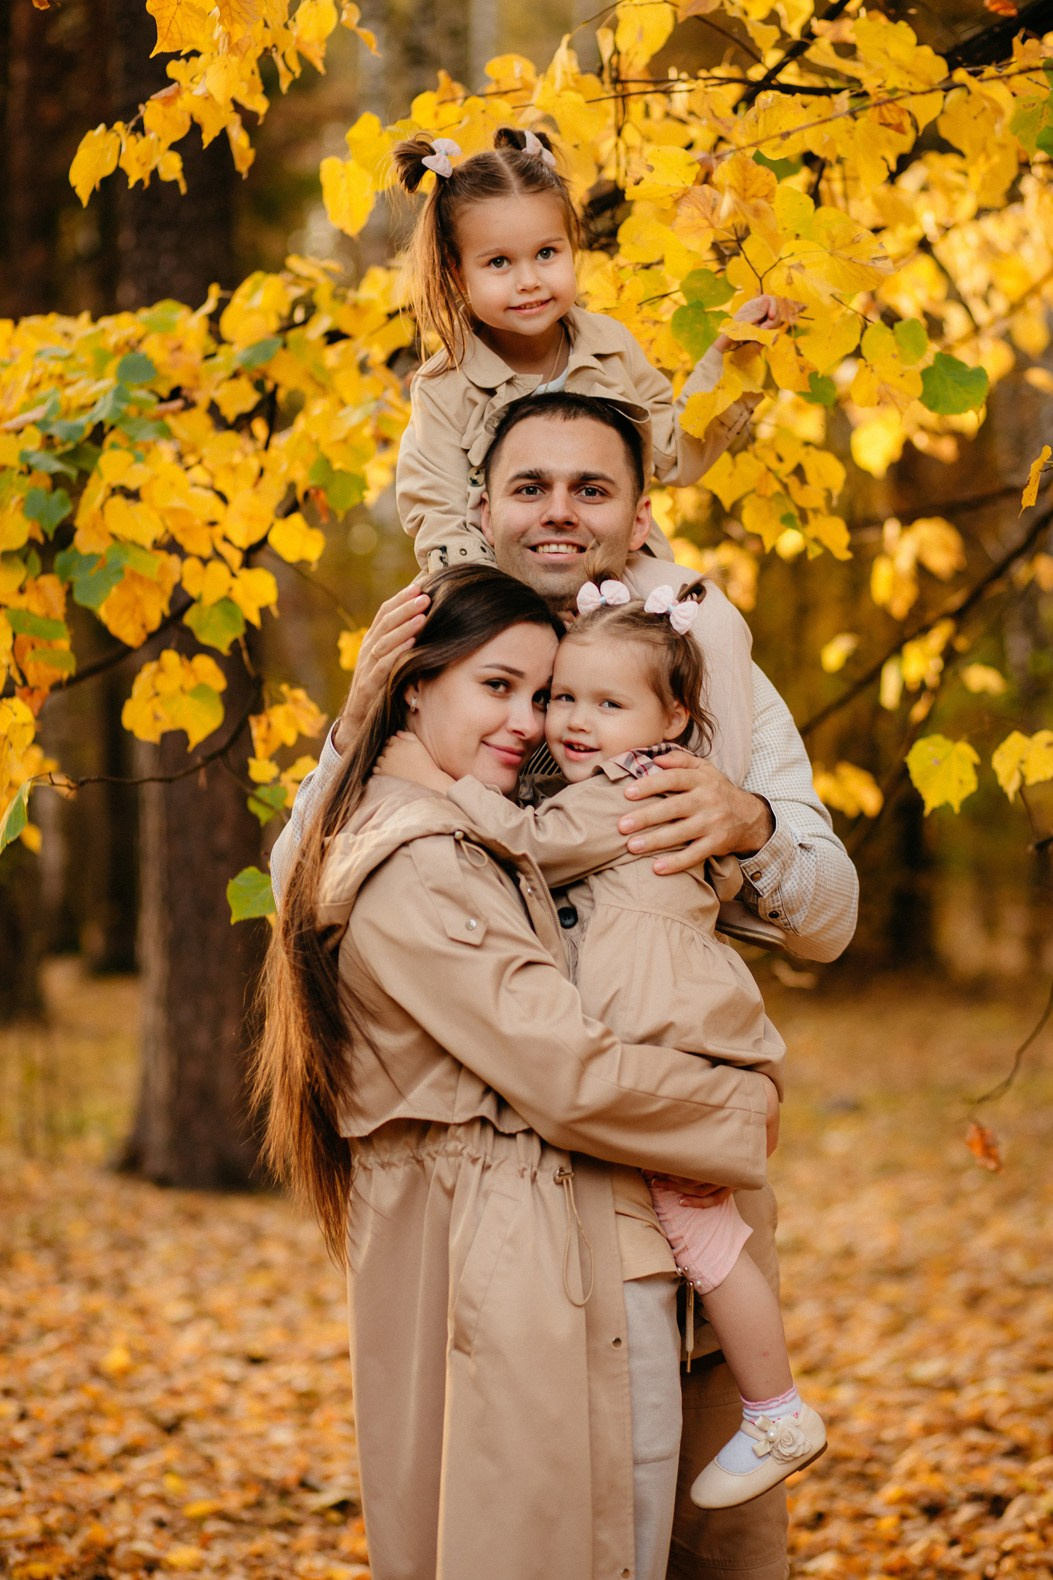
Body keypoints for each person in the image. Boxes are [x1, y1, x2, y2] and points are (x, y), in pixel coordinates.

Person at [270, 393, 859, 1580]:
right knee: (524, 1510)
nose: (559, 512)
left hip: (657, 1155)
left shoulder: (688, 662)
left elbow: (829, 915)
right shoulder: (433, 659)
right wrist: (356, 719)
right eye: (529, 485)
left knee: (663, 1517)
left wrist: (745, 823)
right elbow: (313, 891)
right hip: (509, 1187)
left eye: (592, 488)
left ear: (640, 509)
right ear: (482, 506)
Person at [377, 571, 827, 1515]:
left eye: (604, 703)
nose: (569, 722)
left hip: (675, 1034)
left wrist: (426, 774)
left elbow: (523, 844)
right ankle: (770, 1401)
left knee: (704, 1240)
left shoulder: (630, 787)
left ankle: (776, 1408)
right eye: (561, 699)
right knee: (704, 1235)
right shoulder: (636, 773)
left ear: (670, 722)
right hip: (677, 1029)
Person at [392, 126, 782, 574]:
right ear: (459, 275)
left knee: (714, 622)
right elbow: (441, 520)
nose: (529, 280)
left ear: (572, 248)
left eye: (546, 253)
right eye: (499, 262)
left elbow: (673, 453)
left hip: (620, 576)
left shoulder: (610, 347)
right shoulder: (444, 388)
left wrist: (733, 360)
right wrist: (508, 611)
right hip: (503, 583)